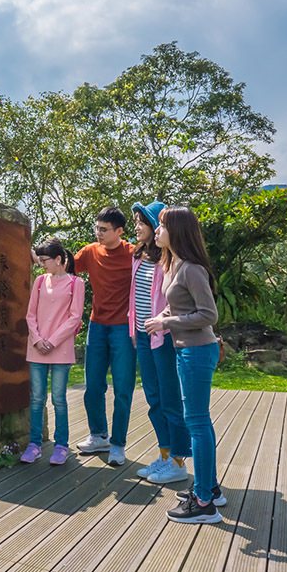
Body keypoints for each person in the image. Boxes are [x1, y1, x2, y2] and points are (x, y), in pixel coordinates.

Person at [145, 206, 223, 524]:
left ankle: (203, 501)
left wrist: (168, 322)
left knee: (197, 423)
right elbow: (179, 306)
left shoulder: (192, 269)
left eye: (162, 226)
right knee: (198, 422)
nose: (157, 230)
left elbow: (208, 314)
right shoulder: (173, 265)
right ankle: (211, 489)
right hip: (186, 351)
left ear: (175, 232)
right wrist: (162, 318)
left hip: (198, 352)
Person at [129, 201, 191, 485]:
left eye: (141, 221)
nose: (137, 227)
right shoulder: (138, 256)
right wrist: (134, 326)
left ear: (155, 225)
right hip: (142, 336)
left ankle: (179, 461)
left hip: (163, 337)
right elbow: (134, 297)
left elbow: (171, 301)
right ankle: (165, 454)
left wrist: (162, 325)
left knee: (169, 399)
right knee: (153, 399)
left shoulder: (167, 260)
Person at [72, 207, 136, 466]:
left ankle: (118, 444)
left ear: (119, 231)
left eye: (103, 229)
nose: (98, 233)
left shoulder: (134, 254)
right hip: (96, 326)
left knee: (123, 389)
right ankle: (99, 435)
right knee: (93, 385)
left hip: (123, 329)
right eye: (96, 228)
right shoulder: (90, 252)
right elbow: (63, 266)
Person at [21, 238, 86, 466]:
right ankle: (34, 445)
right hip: (37, 348)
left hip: (60, 349)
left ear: (58, 259)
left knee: (59, 399)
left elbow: (75, 317)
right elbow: (30, 315)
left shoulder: (76, 283)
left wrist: (53, 341)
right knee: (36, 399)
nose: (42, 264)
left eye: (45, 260)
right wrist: (38, 340)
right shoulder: (39, 282)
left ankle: (61, 446)